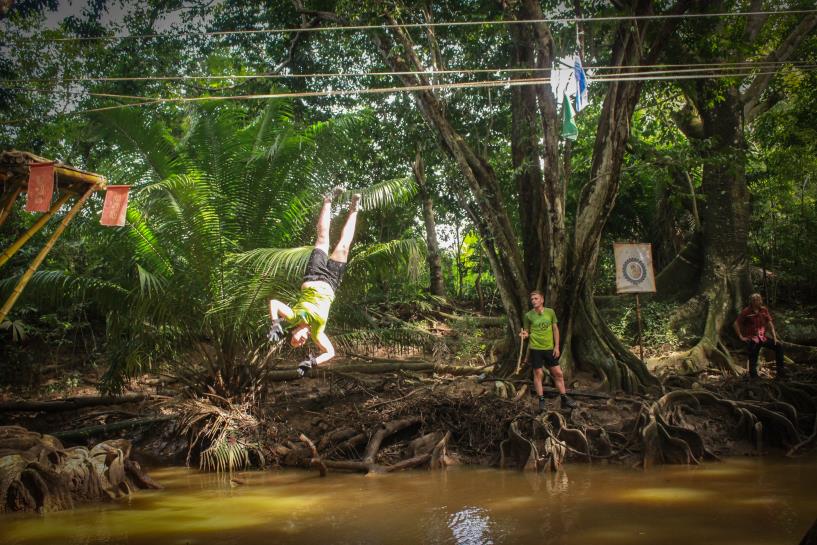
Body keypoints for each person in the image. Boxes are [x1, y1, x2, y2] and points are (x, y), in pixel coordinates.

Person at [268, 189, 361, 377]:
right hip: (331, 283)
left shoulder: (293, 317)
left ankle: (327, 199)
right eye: (301, 344)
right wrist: (312, 362)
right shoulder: (317, 332)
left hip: (314, 275)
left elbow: (274, 303)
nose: (301, 342)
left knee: (322, 239)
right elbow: (330, 352)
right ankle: (355, 209)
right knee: (344, 245)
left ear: (292, 333)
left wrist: (275, 323)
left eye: (296, 341)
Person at [520, 290, 577, 411]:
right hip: (535, 348)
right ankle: (541, 400)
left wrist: (556, 347)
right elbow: (526, 332)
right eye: (532, 299)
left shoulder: (550, 312)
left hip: (549, 348)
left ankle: (564, 398)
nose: (534, 301)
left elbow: (555, 329)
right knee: (538, 374)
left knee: (558, 374)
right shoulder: (528, 315)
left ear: (542, 299)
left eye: (536, 298)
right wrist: (524, 335)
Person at [733, 293, 786, 379]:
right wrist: (741, 337)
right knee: (753, 356)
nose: (758, 301)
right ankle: (754, 377)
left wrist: (775, 337)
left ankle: (781, 373)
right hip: (752, 338)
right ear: (751, 302)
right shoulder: (746, 311)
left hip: (763, 338)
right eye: (755, 300)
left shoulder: (764, 310)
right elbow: (735, 324)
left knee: (779, 346)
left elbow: (770, 324)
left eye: (759, 299)